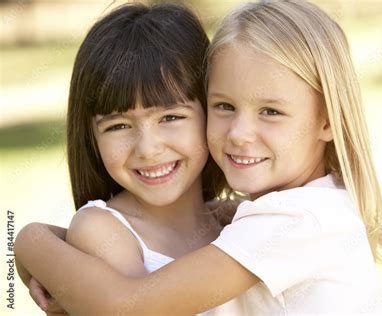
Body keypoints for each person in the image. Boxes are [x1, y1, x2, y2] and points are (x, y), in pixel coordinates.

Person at [16, 1, 382, 314]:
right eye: (224, 106)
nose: (238, 133)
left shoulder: (298, 220)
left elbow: (127, 307)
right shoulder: (282, 211)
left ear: (328, 121)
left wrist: (27, 242)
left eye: (271, 111)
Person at [15, 2, 233, 314]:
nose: (147, 148)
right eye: (118, 125)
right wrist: (27, 241)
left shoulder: (235, 218)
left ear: (212, 110)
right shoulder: (103, 231)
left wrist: (30, 243)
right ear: (91, 135)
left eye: (170, 117)